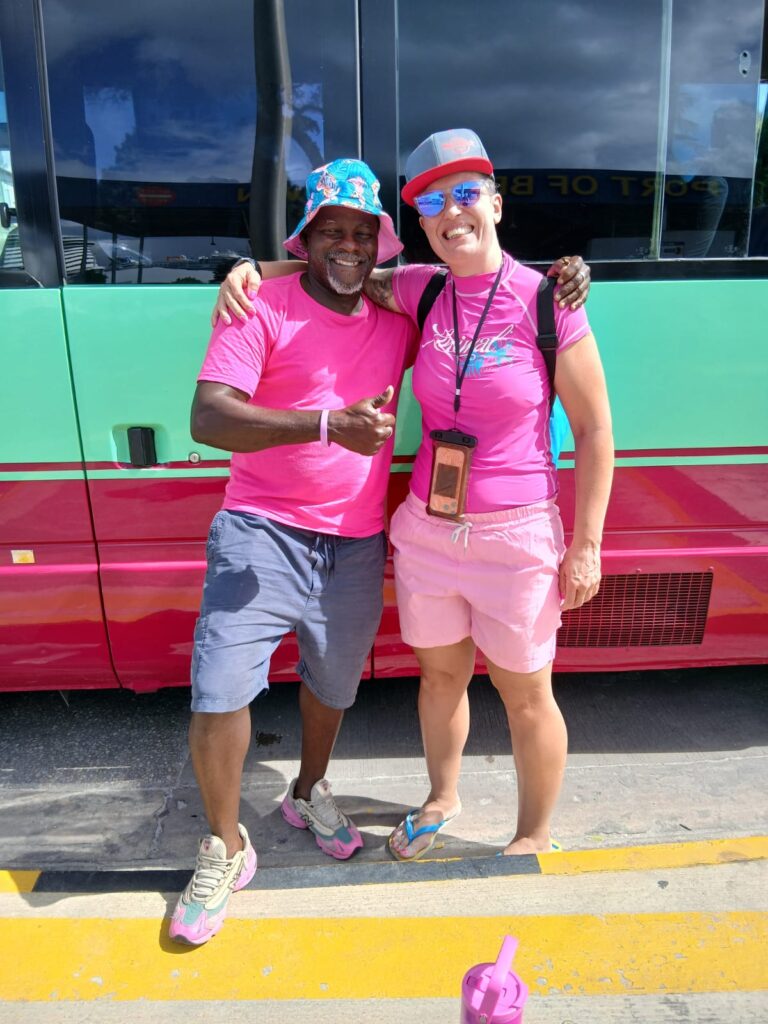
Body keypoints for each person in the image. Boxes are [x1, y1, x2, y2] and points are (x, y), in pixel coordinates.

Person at [213, 130, 610, 865]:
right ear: (422, 224)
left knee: (526, 693)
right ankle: (442, 797)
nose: (451, 212)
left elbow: (593, 430)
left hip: (517, 533)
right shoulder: (419, 288)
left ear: (495, 204)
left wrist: (585, 546)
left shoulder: (547, 300)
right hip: (428, 528)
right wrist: (251, 269)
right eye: (432, 203)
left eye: (466, 194)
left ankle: (531, 833)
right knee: (440, 677)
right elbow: (336, 267)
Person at [170, 158, 418, 945]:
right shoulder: (259, 306)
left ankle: (307, 792)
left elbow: (472, 288)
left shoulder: (396, 317)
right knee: (218, 693)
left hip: (354, 540)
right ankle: (224, 844)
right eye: (330, 231)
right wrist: (325, 425)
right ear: (305, 238)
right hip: (260, 530)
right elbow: (209, 417)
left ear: (379, 243)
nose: (348, 245)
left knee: (333, 686)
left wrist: (565, 276)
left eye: (362, 233)